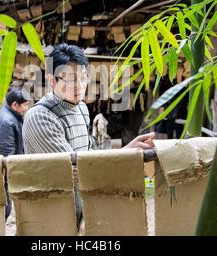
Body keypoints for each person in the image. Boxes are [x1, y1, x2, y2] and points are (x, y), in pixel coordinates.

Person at [22, 43, 154, 228]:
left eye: (84, 78)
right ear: (52, 80)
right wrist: (124, 158)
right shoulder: (40, 116)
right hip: (50, 214)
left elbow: (89, 154)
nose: (80, 86)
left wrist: (126, 151)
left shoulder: (82, 108)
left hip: (77, 210)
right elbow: (72, 171)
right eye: (71, 80)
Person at [0, 87, 30, 220]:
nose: (27, 108)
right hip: (1, 176)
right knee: (4, 211)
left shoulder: (13, 116)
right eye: (25, 105)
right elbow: (7, 157)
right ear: (15, 105)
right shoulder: (6, 122)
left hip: (5, 175)